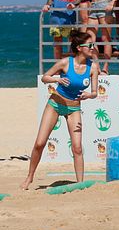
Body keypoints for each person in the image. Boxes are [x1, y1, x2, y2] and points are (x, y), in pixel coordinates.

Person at [21, 31, 99, 190]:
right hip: (55, 104)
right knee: (40, 143)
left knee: (77, 147)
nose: (93, 48)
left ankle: (80, 184)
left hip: (74, 108)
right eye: (89, 45)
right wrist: (57, 79)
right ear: (79, 48)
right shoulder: (65, 63)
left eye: (93, 45)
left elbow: (95, 92)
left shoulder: (93, 67)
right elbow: (45, 77)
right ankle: (29, 178)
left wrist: (89, 95)